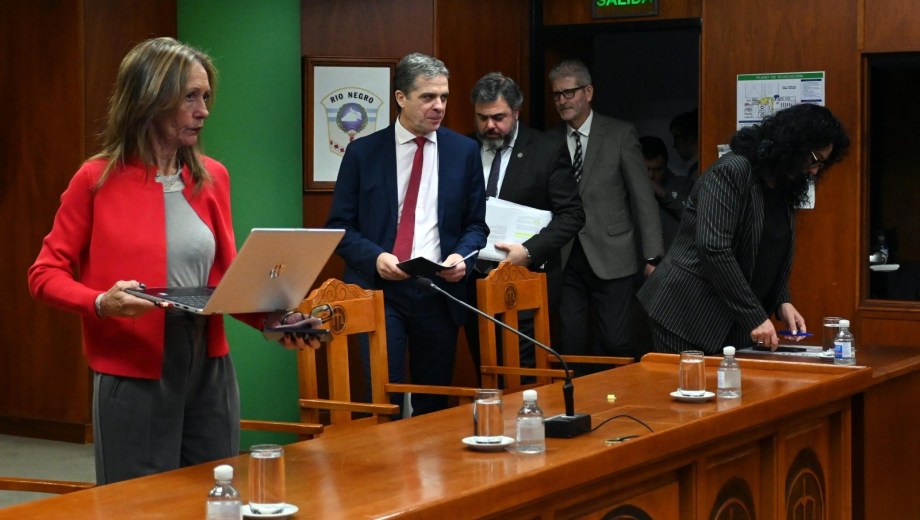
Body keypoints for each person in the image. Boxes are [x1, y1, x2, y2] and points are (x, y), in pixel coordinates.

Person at [27, 38, 317, 484]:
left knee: (214, 490)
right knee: (139, 505)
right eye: (190, 97)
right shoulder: (94, 179)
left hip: (209, 364)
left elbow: (223, 282)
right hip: (134, 367)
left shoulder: (213, 177)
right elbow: (44, 274)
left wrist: (275, 321)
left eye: (205, 97)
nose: (203, 110)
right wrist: (102, 303)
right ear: (150, 99)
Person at [326, 52, 488, 416]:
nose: (439, 106)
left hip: (438, 289)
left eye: (444, 97)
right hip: (379, 291)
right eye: (428, 97)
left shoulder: (463, 151)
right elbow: (338, 226)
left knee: (434, 401)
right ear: (401, 98)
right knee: (385, 399)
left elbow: (476, 225)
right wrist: (376, 257)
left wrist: (461, 257)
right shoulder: (363, 153)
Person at [639, 103, 850, 354]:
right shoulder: (732, 171)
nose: (814, 171)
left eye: (822, 164)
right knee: (691, 391)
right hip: (685, 311)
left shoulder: (783, 184)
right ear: (791, 146)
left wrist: (782, 300)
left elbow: (769, 251)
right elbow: (714, 248)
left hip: (729, 316)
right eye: (814, 159)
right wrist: (754, 317)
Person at [465, 72, 584, 379]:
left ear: (516, 112)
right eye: (482, 118)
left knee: (524, 375)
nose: (490, 126)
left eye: (499, 117)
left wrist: (528, 252)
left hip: (525, 279)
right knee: (486, 370)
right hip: (471, 280)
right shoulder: (461, 149)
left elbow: (572, 214)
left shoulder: (546, 149)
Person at [547, 59, 664, 362]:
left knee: (615, 340)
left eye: (569, 93)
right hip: (566, 255)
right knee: (570, 340)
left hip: (614, 253)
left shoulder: (619, 134)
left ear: (588, 91)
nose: (562, 100)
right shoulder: (549, 141)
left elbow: (643, 199)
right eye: (557, 94)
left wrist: (653, 255)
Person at [640, 135, 697, 252]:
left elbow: (696, 219)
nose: (651, 176)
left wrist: (664, 194)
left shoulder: (683, 186)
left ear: (665, 165)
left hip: (674, 261)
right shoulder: (625, 189)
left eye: (657, 170)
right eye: (645, 169)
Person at [670, 108, 700, 177]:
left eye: (676, 138)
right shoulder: (695, 168)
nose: (674, 145)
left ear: (690, 138)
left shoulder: (700, 170)